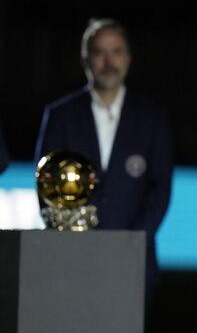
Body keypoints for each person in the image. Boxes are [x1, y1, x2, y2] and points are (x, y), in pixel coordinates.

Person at [34, 18, 173, 318]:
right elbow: (45, 185)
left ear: (128, 58)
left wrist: (130, 244)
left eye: (116, 51)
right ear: (85, 59)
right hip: (71, 262)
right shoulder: (60, 116)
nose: (108, 61)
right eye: (99, 52)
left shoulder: (151, 118)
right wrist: (74, 239)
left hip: (133, 262)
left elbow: (160, 188)